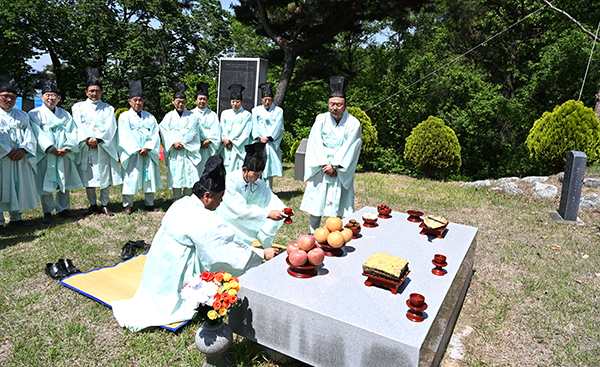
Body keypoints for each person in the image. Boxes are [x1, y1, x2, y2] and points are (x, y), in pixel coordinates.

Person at [110, 156, 274, 332]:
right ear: (207, 196)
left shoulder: (182, 203)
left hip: (156, 267)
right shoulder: (205, 220)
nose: (221, 202)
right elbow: (226, 251)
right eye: (220, 197)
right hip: (175, 273)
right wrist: (261, 254)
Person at [299, 76, 362, 234]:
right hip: (321, 167)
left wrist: (335, 166)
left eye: (339, 105)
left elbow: (351, 147)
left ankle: (336, 233)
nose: (335, 108)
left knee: (339, 201)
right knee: (317, 202)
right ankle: (314, 232)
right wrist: (323, 164)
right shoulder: (320, 119)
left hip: (339, 168)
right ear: (328, 104)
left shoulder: (353, 123)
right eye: (332, 104)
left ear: (345, 105)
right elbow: (314, 142)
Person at [29, 80, 82, 223]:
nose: (50, 98)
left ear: (58, 98)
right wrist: (49, 148)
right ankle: (47, 211)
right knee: (46, 181)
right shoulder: (34, 114)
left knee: (63, 181)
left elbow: (72, 132)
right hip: (46, 154)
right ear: (42, 97)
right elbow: (36, 133)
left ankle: (63, 209)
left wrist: (67, 147)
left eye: (53, 95)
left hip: (62, 153)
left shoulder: (65, 114)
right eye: (47, 95)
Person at [216, 142, 287, 249]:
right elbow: (237, 209)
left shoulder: (256, 182)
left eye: (260, 174)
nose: (258, 178)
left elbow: (270, 198)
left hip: (243, 219)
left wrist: (284, 210)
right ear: (245, 170)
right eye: (255, 174)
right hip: (228, 221)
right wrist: (267, 214)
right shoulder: (230, 182)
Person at [72, 68, 122, 216]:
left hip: (102, 147)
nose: (94, 94)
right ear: (86, 92)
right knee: (89, 176)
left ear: (102, 92)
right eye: (91, 91)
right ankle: (93, 204)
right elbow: (77, 124)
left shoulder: (108, 108)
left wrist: (98, 139)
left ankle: (104, 204)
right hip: (87, 147)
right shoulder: (78, 107)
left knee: (105, 176)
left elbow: (111, 126)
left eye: (97, 91)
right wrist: (87, 139)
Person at [118, 80, 163, 214]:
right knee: (130, 177)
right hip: (133, 153)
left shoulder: (150, 117)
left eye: (140, 100)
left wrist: (148, 147)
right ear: (130, 101)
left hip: (147, 152)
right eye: (135, 100)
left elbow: (155, 132)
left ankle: (149, 203)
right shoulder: (124, 117)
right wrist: (138, 149)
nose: (138, 102)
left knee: (149, 176)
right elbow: (124, 134)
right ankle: (128, 204)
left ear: (143, 101)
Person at [0, 74, 39, 229]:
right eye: (5, 96)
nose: (9, 100)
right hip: (3, 159)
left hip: (19, 158)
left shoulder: (22, 115)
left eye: (13, 97)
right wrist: (7, 151)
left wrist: (23, 149)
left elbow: (30, 134)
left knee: (18, 185)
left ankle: (17, 217)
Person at [159, 82, 202, 200]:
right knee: (176, 176)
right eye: (178, 102)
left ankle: (188, 199)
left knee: (190, 176)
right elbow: (163, 130)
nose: (180, 104)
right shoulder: (168, 116)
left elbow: (194, 131)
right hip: (175, 151)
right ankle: (176, 199)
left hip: (187, 151)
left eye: (183, 102)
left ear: (186, 102)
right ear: (173, 101)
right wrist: (173, 142)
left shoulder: (192, 116)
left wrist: (183, 143)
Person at [252, 82, 284, 188]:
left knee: (269, 168)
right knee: (257, 166)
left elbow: (278, 126)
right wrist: (258, 137)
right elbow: (254, 125)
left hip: (270, 143)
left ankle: (268, 190)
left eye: (269, 100)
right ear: (261, 100)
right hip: (259, 142)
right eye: (265, 100)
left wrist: (269, 137)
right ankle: (257, 189)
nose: (267, 102)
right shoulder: (255, 110)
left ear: (272, 100)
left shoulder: (278, 111)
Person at [220, 84, 253, 173]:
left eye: (237, 101)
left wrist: (231, 140)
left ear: (242, 102)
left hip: (238, 149)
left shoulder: (247, 115)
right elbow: (222, 128)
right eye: (233, 101)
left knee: (238, 172)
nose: (235, 104)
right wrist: (225, 139)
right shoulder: (225, 113)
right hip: (226, 148)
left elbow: (245, 134)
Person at [190, 82, 221, 175]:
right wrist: (198, 142)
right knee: (194, 173)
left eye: (204, 99)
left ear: (207, 100)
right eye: (200, 99)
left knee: (207, 172)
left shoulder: (213, 115)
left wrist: (208, 141)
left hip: (208, 148)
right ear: (196, 100)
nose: (202, 101)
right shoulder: (190, 114)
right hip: (195, 149)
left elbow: (216, 130)